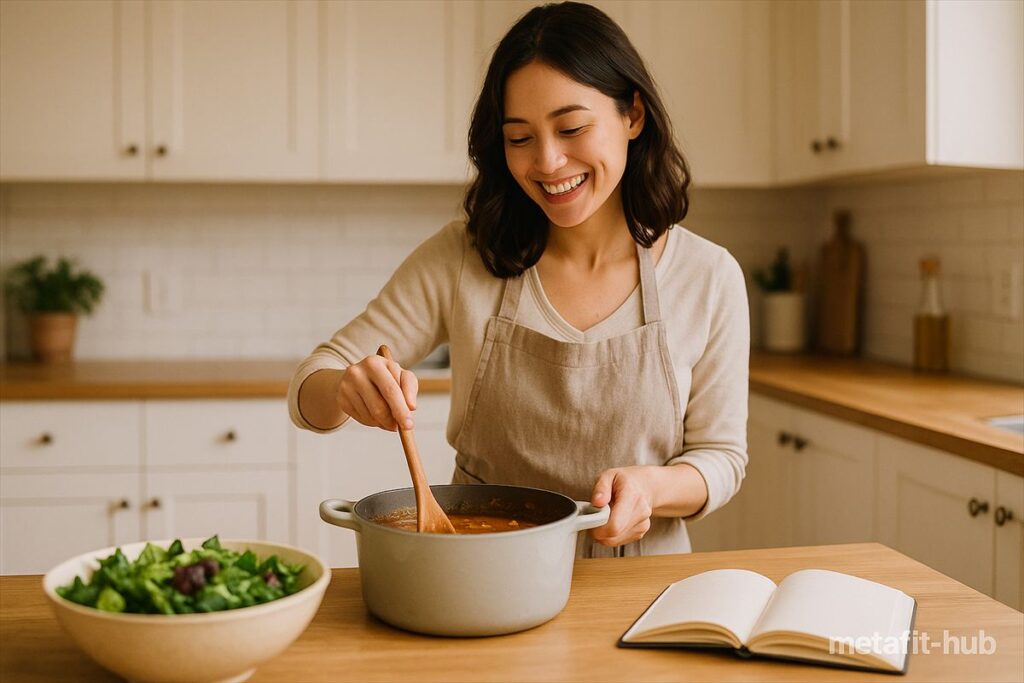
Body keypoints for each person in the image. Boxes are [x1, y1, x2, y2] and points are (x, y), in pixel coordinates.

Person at [288, 1, 749, 558]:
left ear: (633, 114)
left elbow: (721, 458)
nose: (549, 162)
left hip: (640, 587)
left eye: (571, 127)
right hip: (480, 572)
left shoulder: (709, 276)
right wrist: (343, 389)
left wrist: (653, 488)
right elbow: (311, 384)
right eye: (519, 138)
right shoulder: (463, 257)